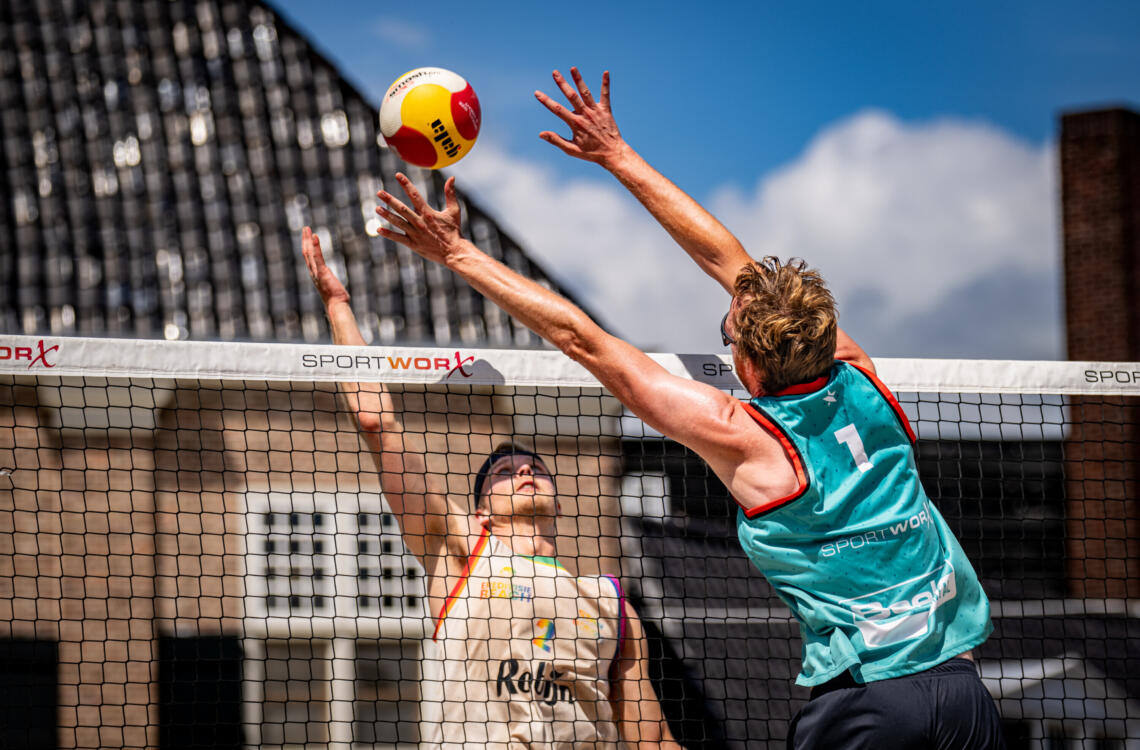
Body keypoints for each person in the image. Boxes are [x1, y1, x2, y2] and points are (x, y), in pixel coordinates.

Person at [370, 68, 1005, 749]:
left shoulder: (749, 440)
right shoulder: (862, 378)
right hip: (966, 695)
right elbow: (733, 262)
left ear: (750, 365)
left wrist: (458, 252)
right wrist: (617, 155)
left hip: (873, 704)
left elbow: (583, 339)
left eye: (727, 334)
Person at [300, 227, 679, 749]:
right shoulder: (465, 555)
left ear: (558, 504)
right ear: (481, 513)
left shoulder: (611, 603)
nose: (523, 472)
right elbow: (377, 423)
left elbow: (653, 740)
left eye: (535, 468)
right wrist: (339, 308)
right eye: (504, 473)